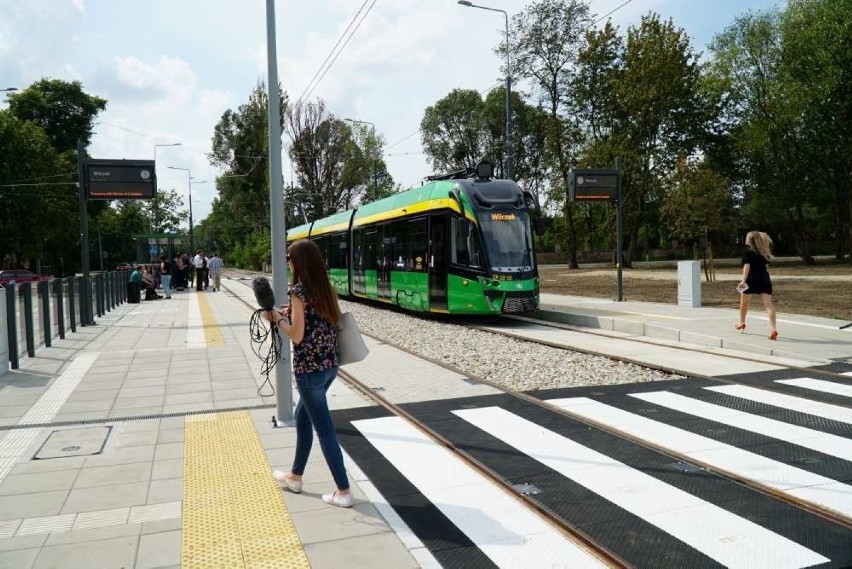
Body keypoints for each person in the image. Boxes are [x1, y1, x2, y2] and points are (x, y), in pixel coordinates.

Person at [266, 239, 353, 508]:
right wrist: (290, 314)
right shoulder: (325, 288)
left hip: (310, 371)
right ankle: (295, 476)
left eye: (290, 259)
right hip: (329, 367)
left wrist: (278, 319)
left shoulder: (299, 291)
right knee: (303, 420)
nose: (289, 263)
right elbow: (320, 322)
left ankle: (344, 491)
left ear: (299, 263)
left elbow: (297, 335)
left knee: (325, 431)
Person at [736, 230, 778, 340]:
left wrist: (743, 280)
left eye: (746, 237)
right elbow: (766, 268)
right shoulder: (763, 252)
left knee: (744, 302)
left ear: (750, 239)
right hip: (764, 279)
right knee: (769, 305)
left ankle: (741, 322)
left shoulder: (747, 251)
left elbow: (747, 266)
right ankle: (773, 329)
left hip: (751, 279)